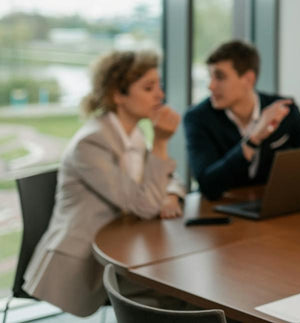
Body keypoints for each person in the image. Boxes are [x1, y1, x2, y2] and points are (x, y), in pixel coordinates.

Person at [23, 50, 187, 316]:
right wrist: (161, 142)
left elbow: (171, 179)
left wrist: (170, 195)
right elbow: (144, 206)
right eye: (149, 87)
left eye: (160, 85)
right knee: (177, 294)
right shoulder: (92, 143)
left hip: (127, 248)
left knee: (178, 285)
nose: (160, 95)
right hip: (86, 265)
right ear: (117, 94)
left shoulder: (131, 136)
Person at [184, 39, 300, 202]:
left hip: (274, 210)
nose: (210, 85)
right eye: (210, 76)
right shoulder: (197, 118)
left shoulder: (284, 110)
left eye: (220, 77)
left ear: (248, 79)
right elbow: (208, 185)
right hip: (221, 216)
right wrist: (252, 140)